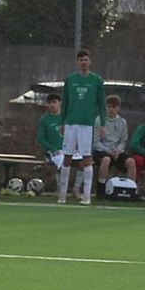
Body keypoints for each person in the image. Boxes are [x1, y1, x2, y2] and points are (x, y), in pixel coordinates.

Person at [57, 49, 106, 205]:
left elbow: (102, 104)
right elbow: (64, 102)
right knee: (67, 157)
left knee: (86, 159)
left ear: (89, 61)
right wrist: (62, 122)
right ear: (77, 62)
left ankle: (86, 196)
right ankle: (62, 195)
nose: (83, 62)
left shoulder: (96, 80)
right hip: (71, 124)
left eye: (86, 60)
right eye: (81, 60)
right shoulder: (70, 80)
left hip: (86, 125)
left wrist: (102, 123)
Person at [92, 94, 135, 193]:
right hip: (102, 150)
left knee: (131, 162)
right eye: (109, 106)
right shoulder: (99, 120)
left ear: (118, 108)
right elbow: (96, 142)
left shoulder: (122, 122)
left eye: (114, 107)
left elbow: (123, 141)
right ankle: (101, 189)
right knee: (106, 160)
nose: (111, 109)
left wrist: (117, 151)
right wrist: (108, 151)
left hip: (117, 152)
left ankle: (131, 189)